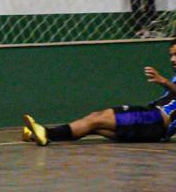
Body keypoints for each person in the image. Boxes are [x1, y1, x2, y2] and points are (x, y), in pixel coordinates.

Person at [23, 41, 176, 145]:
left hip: (153, 120)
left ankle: (46, 133)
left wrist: (165, 82)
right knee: (93, 124)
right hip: (154, 127)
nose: (173, 59)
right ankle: (40, 135)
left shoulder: (170, 81)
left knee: (97, 118)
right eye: (171, 55)